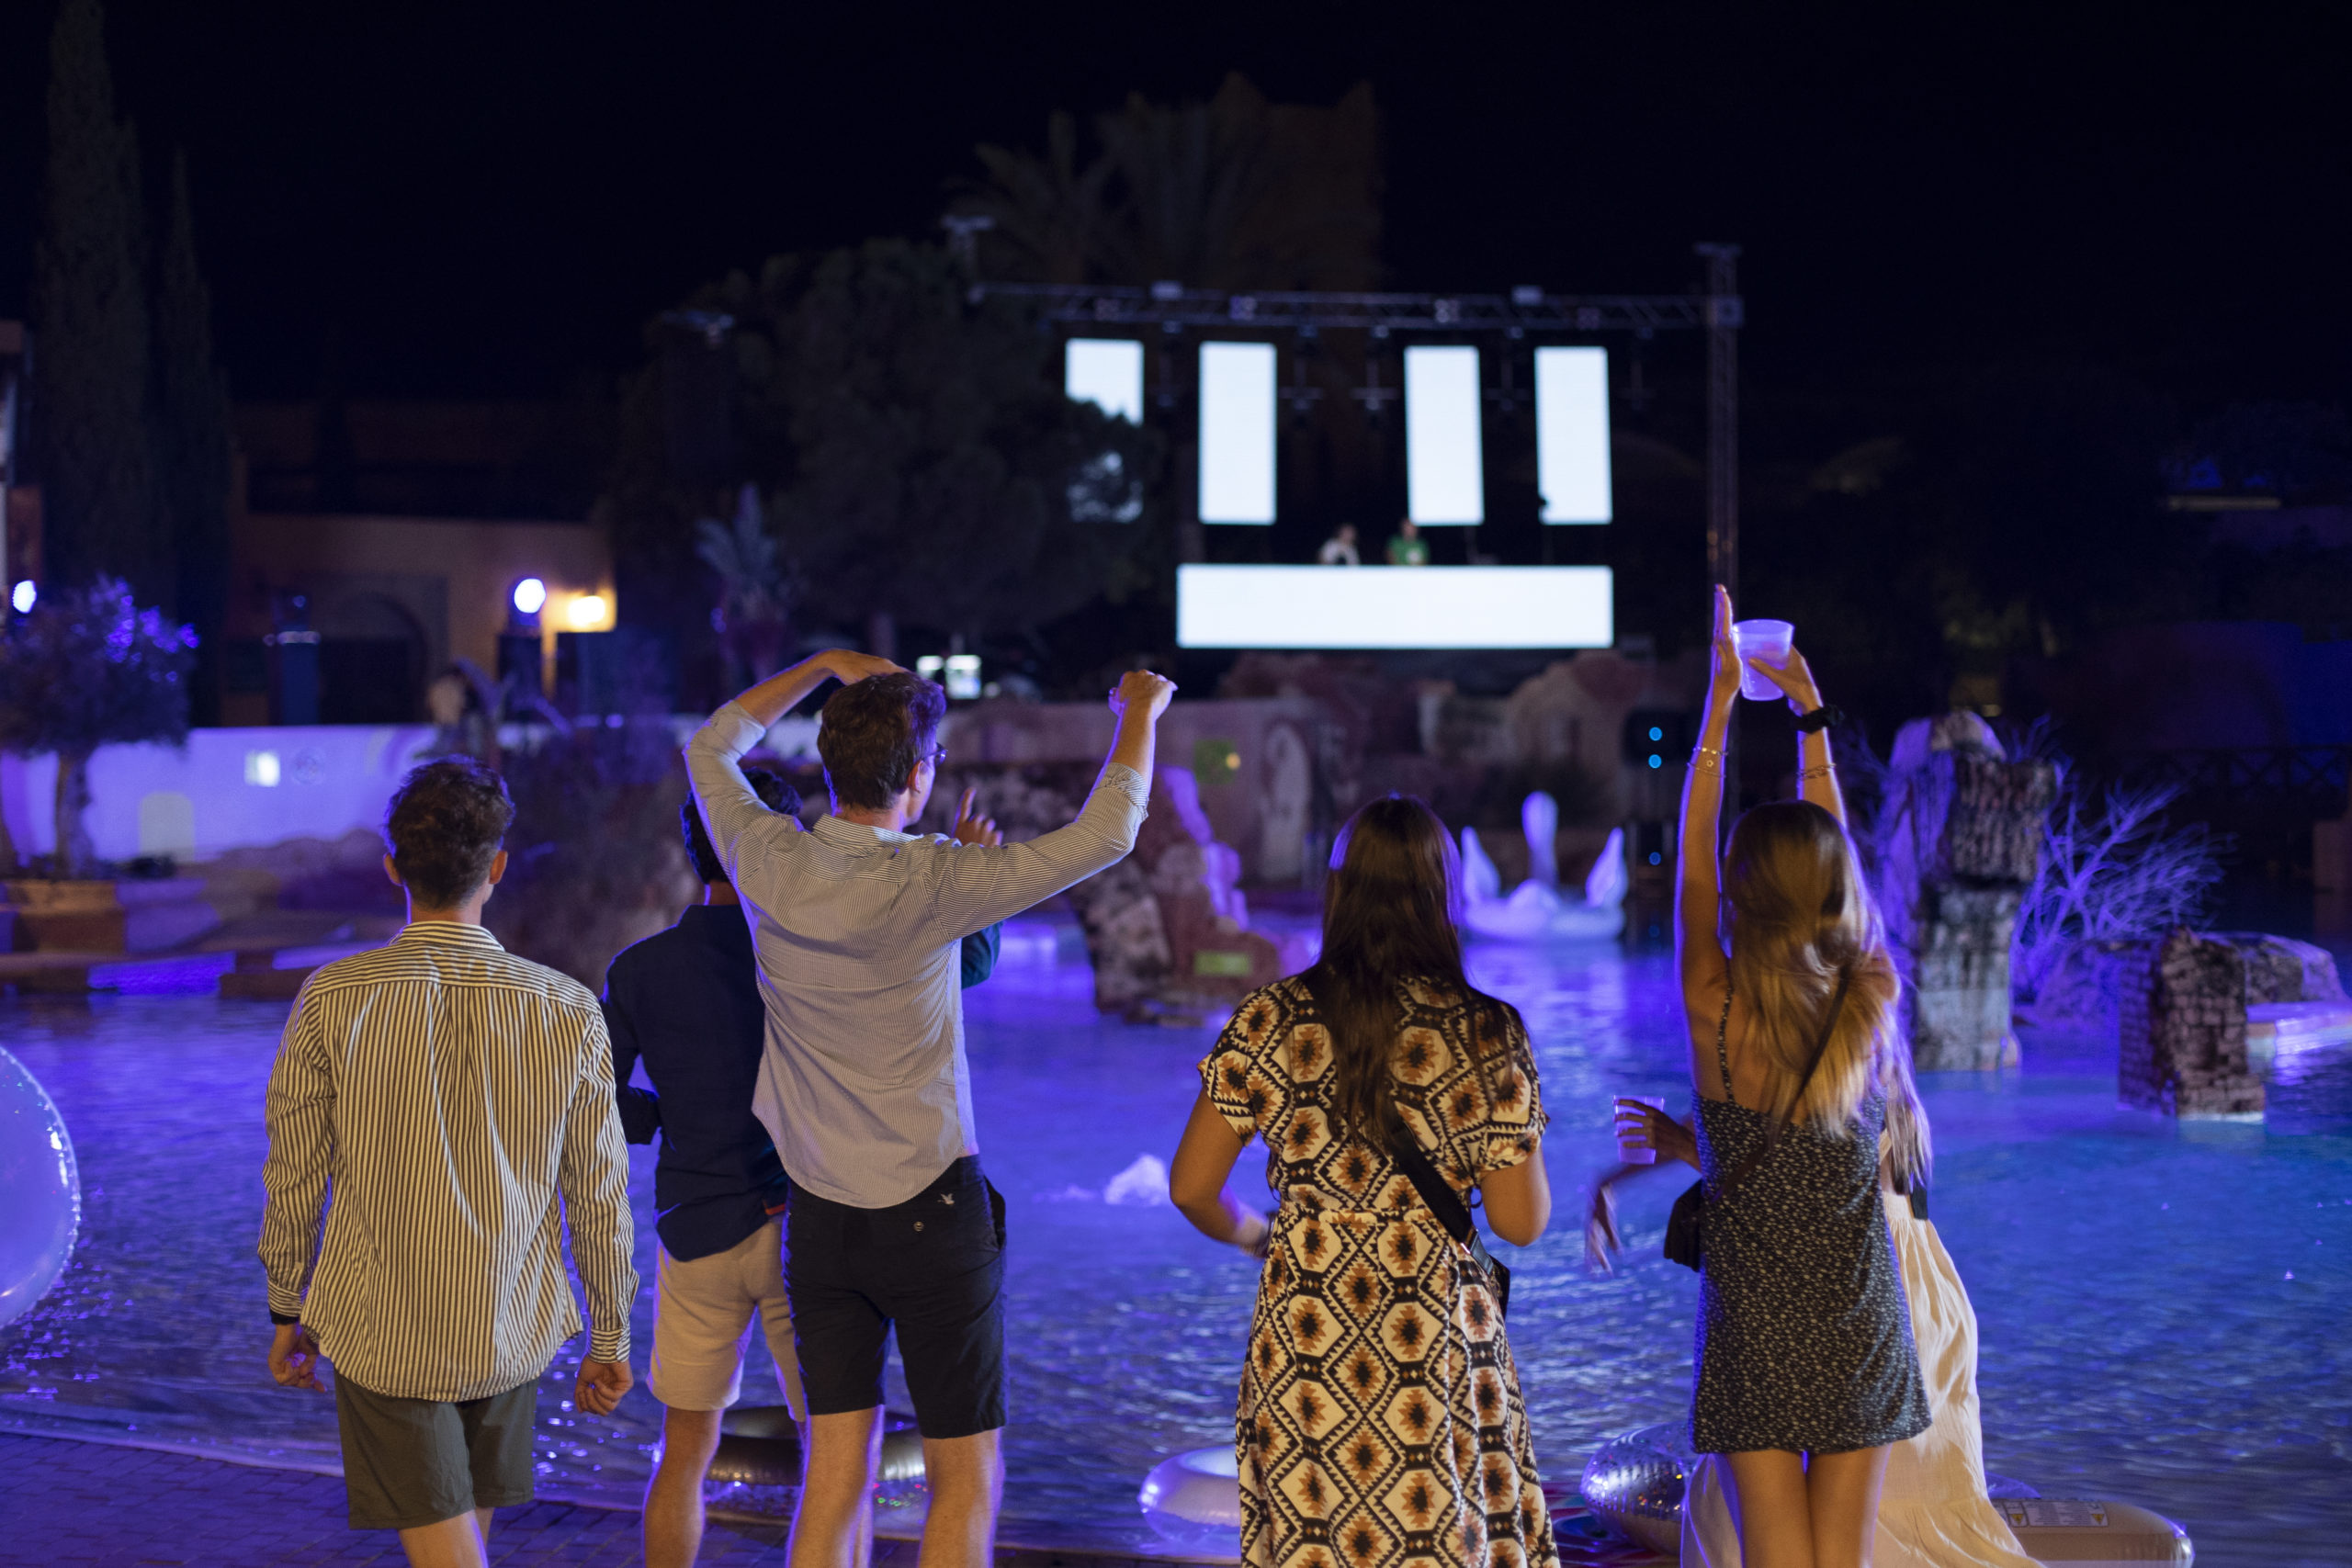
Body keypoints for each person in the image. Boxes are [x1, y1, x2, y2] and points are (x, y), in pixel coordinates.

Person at [684, 650, 1177, 1568]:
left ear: (831, 766)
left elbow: (712, 744)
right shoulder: (940, 880)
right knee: (965, 1477)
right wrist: (1140, 713)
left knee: (834, 1473)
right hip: (932, 1213)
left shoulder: (766, 857)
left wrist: (821, 665)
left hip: (819, 1219)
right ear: (918, 775)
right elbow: (1108, 834)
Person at [605, 767, 1006, 1568]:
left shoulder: (640, 968)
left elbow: (598, 1102)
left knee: (683, 1449)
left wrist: (671, 1118)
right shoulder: (804, 947)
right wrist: (974, 882)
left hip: (695, 1227)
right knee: (838, 1458)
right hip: (803, 1222)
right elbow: (959, 967)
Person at [259, 759, 637, 1568]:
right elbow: (599, 1192)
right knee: (465, 1540)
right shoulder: (567, 1007)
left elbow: (294, 1170)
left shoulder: (333, 997)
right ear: (497, 867)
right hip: (508, 1324)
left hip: (384, 1325)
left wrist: (288, 1302)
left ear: (393, 867)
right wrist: (609, 1331)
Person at [1170, 795, 1560, 1568]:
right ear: (1443, 895)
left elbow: (1190, 1187)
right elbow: (1521, 1223)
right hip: (1432, 1335)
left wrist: (1257, 1233)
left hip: (1307, 1333)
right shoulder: (1486, 1031)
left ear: (1338, 891)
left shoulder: (1270, 1018)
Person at [1671, 585, 1930, 1568]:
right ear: (1832, 893)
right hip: (1858, 1320)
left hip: (1754, 1331)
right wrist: (1810, 714)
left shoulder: (1714, 1004)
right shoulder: (1867, 996)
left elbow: (1693, 867)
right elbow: (1842, 868)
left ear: (1740, 896)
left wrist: (1718, 711)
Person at [1594, 1077, 2042, 1568]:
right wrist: (1613, 1178)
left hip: (1863, 1285)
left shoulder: (1838, 1068)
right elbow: (1727, 1127)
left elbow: (1803, 1193)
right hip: (1910, 1281)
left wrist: (1682, 1150)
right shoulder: (1868, 1055)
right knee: (1887, 1494)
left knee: (1810, 1502)